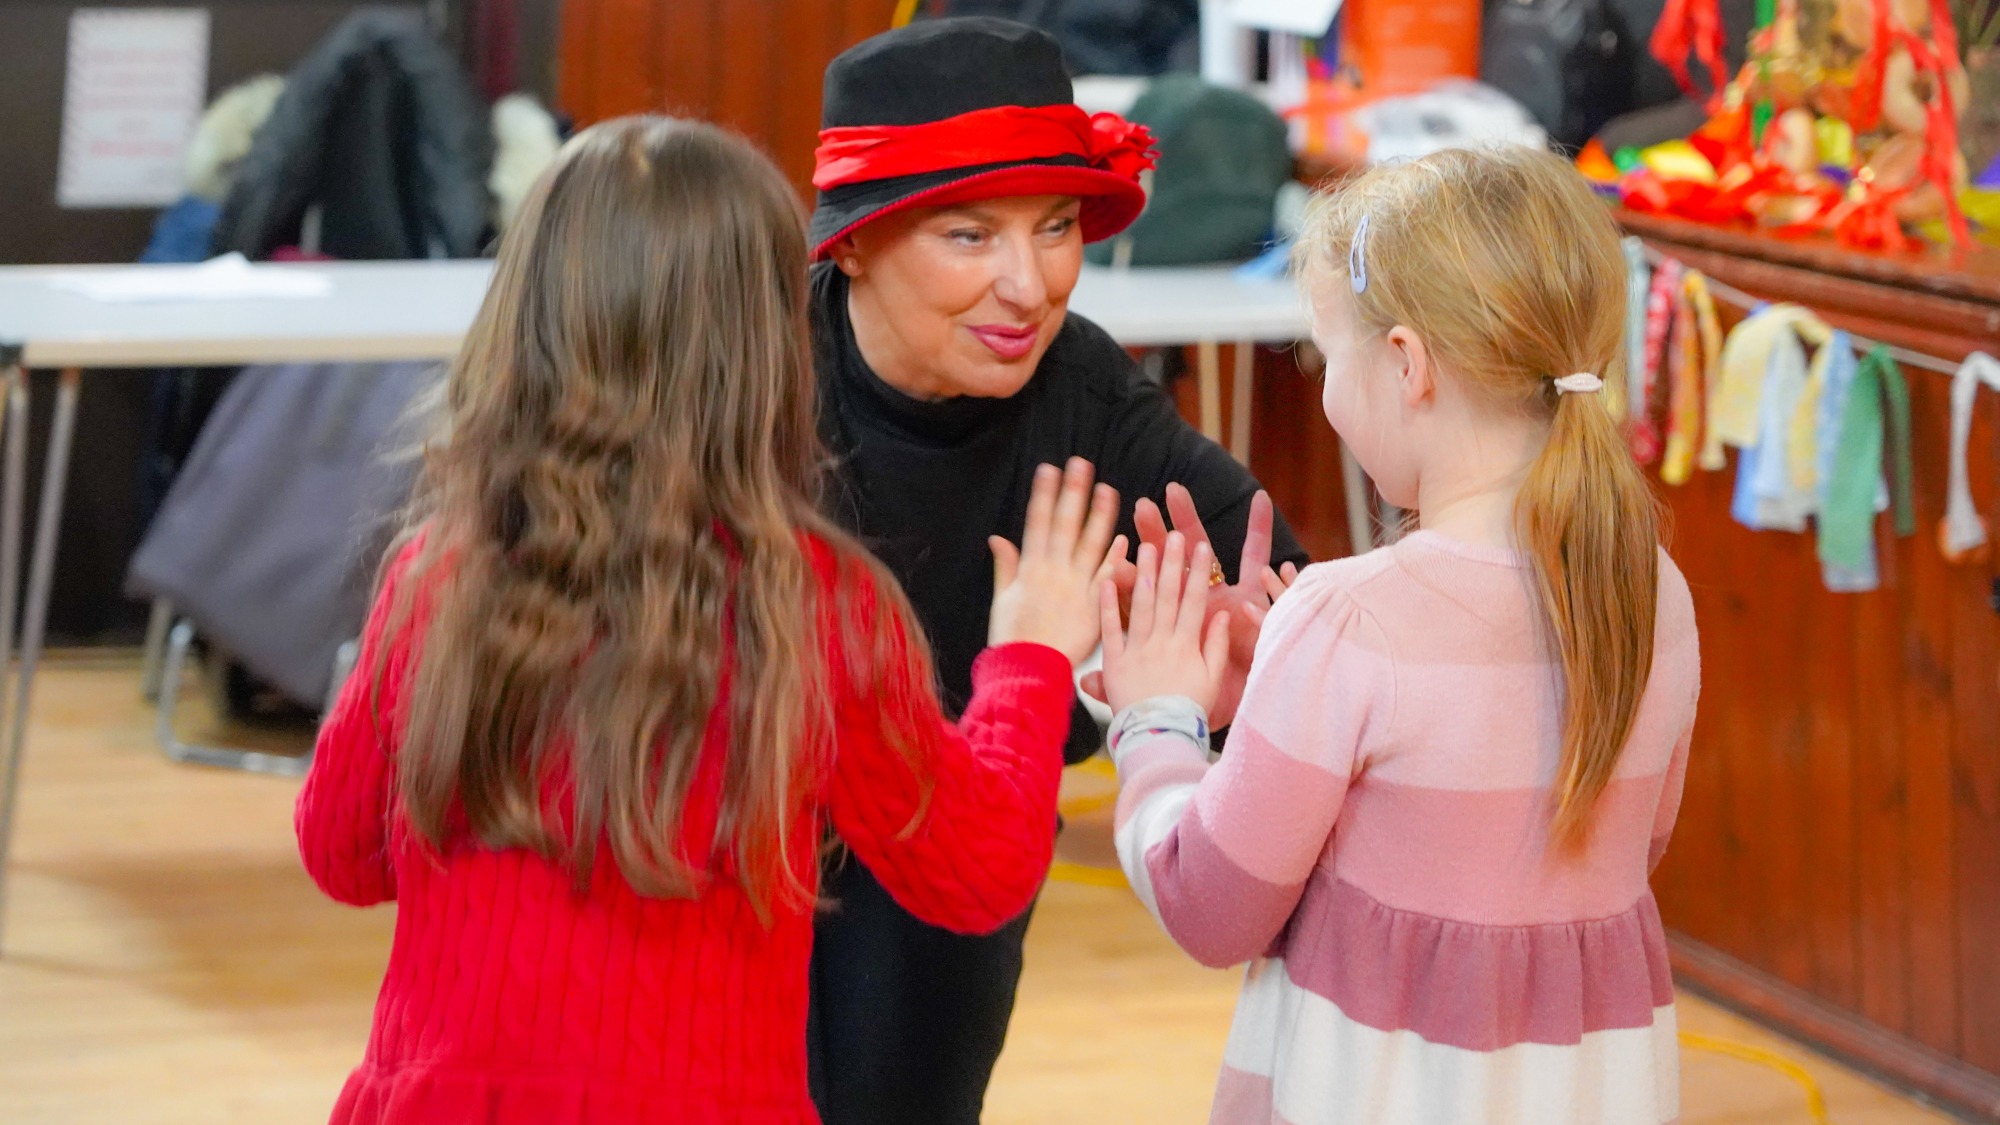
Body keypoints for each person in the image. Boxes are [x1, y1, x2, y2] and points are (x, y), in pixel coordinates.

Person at [293, 116, 1128, 1125]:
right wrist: (1031, 656)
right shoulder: (815, 601)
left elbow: (341, 856)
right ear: (767, 341)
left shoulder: (437, 573)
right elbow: (977, 869)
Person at [1097, 145, 1702, 1124]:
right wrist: (1278, 691)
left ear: (1406, 365)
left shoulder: (1347, 620)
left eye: (1323, 356)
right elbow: (1614, 844)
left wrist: (1155, 721)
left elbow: (1211, 909)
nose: (1326, 387)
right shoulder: (1653, 592)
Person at [802, 18, 1312, 1124]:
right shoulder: (752, 377)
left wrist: (1224, 659)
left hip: (961, 884)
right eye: (969, 235)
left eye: (1056, 227)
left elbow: (1276, 584)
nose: (1028, 287)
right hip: (747, 866)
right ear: (851, 244)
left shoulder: (1078, 388)